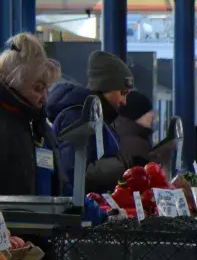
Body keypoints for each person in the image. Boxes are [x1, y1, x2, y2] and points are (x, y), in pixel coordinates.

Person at [50, 50, 135, 194]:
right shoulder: (78, 117)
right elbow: (72, 173)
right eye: (122, 93)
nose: (124, 101)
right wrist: (120, 166)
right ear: (104, 87)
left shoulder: (99, 118)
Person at [0, 34, 64, 196]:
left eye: (46, 88)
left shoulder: (40, 126)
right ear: (15, 82)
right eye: (37, 88)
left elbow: (61, 185)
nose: (45, 98)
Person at [114, 90, 157, 168]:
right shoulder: (137, 145)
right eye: (148, 111)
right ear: (136, 115)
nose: (152, 115)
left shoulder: (117, 135)